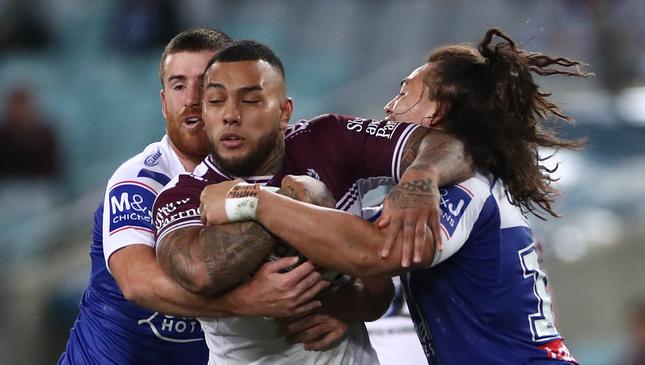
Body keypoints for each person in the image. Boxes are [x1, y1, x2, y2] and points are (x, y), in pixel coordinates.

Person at [202, 28, 588, 364]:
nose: (390, 107)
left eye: (405, 93)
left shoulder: (467, 190)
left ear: (438, 114)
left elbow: (376, 250)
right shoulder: (468, 187)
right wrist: (349, 300)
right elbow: (350, 239)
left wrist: (252, 199)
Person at [152, 40, 473, 364]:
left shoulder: (328, 140)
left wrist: (421, 175)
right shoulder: (186, 194)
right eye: (216, 101)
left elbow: (449, 145)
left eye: (250, 101)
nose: (231, 116)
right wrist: (294, 201)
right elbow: (199, 271)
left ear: (284, 112)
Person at [58, 28, 329, 365]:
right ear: (163, 101)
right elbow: (136, 283)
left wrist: (340, 307)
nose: (190, 99)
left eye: (204, 84)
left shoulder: (270, 177)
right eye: (178, 85)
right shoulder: (141, 179)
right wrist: (245, 301)